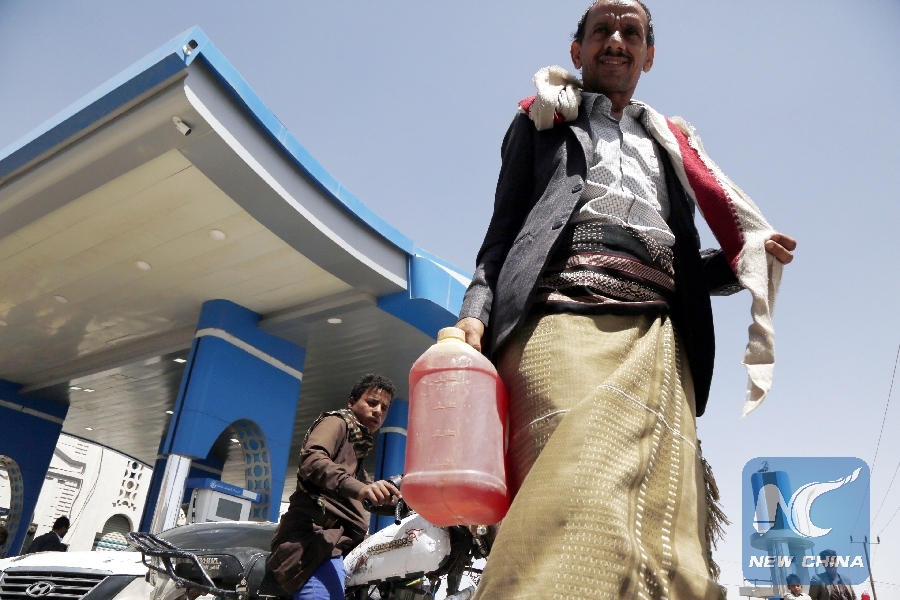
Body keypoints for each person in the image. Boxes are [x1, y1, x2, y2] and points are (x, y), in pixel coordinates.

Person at [455, 1, 796, 598]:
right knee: (570, 491)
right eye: (602, 30)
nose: (616, 39)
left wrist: (744, 263)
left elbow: (685, 268)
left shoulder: (673, 147)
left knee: (665, 529)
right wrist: (474, 313)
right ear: (577, 49)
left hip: (660, 338)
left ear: (648, 55)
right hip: (558, 319)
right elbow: (502, 234)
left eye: (630, 32)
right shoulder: (540, 122)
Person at [268, 374, 401, 600]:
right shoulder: (337, 422)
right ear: (352, 402)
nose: (378, 411)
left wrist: (405, 503)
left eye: (384, 408)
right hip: (314, 543)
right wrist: (362, 490)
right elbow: (313, 460)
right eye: (372, 402)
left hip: (340, 545)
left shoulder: (356, 454)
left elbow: (370, 497)